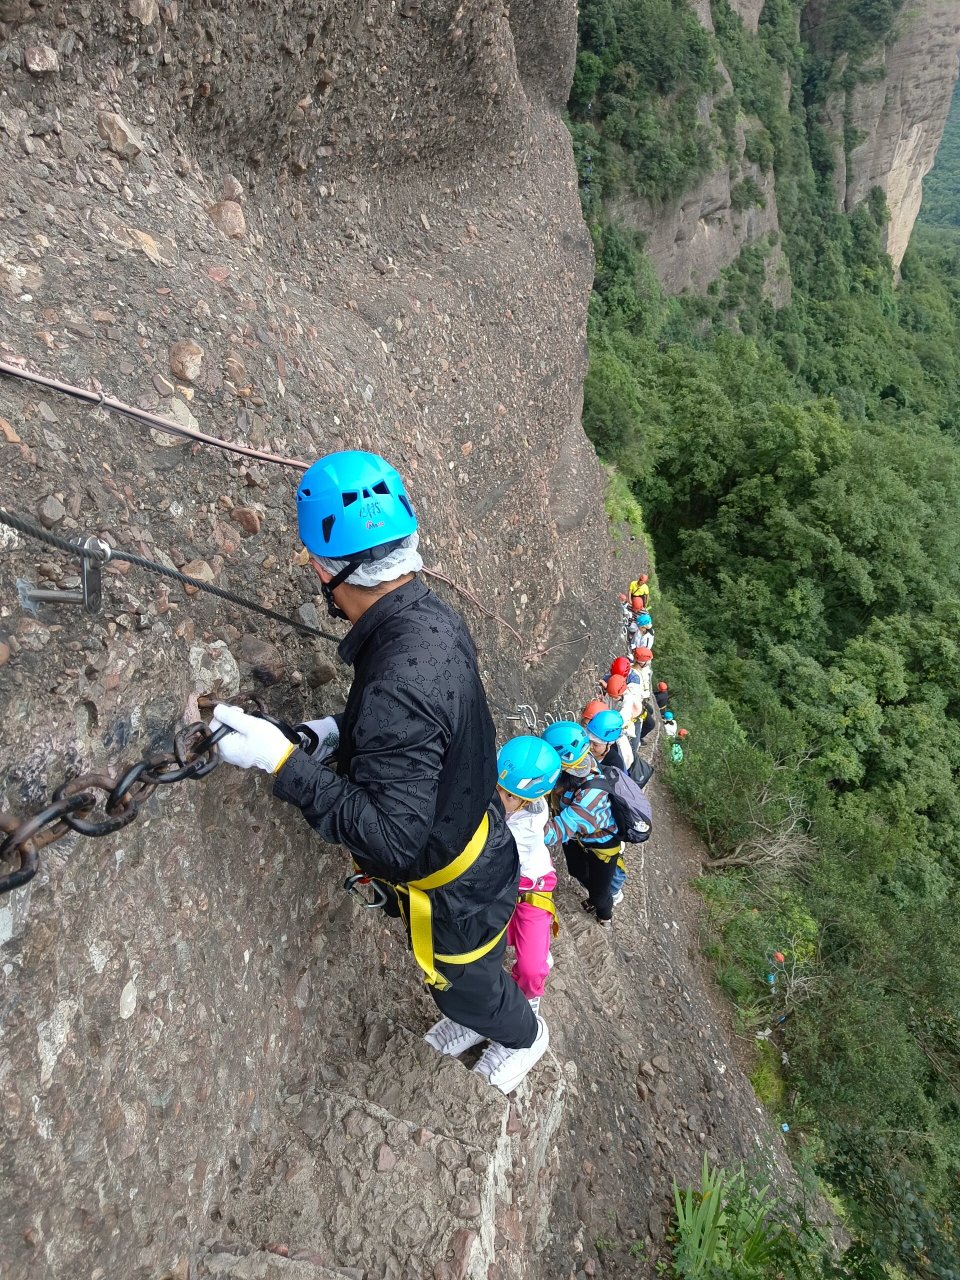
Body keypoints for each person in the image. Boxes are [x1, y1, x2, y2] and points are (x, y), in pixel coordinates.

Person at [211, 449, 546, 1095]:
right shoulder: (430, 617)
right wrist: (334, 731)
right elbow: (424, 725)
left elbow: (391, 837)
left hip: (456, 884)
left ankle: (524, 1036)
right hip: (477, 848)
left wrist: (279, 760)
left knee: (461, 982)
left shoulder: (399, 663)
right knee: (467, 976)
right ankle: (482, 1016)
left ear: (321, 567)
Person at [496, 736, 563, 1015]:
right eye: (497, 787)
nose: (500, 797)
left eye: (510, 795)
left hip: (531, 889)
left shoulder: (525, 827)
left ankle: (524, 1005)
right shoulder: (512, 794)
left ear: (529, 800)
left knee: (531, 968)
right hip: (508, 882)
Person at [541, 721, 622, 927]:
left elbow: (555, 832)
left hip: (602, 844)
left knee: (600, 892)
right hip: (579, 836)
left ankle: (605, 915)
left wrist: (519, 829)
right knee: (576, 870)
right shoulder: (581, 761)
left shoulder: (590, 797)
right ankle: (597, 897)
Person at [582, 707, 631, 907]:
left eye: (596, 744)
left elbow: (621, 804)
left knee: (610, 863)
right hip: (596, 820)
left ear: (609, 743)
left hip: (611, 825)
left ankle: (614, 892)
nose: (590, 746)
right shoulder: (594, 753)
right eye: (589, 740)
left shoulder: (615, 767)